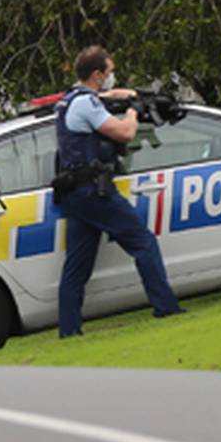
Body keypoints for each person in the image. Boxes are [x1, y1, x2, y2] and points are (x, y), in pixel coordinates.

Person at [54, 46, 183, 338]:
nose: (112, 78)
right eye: (109, 72)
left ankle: (69, 330)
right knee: (143, 242)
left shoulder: (70, 100)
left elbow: (110, 96)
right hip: (94, 191)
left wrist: (133, 95)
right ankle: (166, 306)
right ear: (97, 75)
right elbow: (124, 133)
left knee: (77, 266)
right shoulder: (87, 104)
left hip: (76, 193)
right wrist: (133, 114)